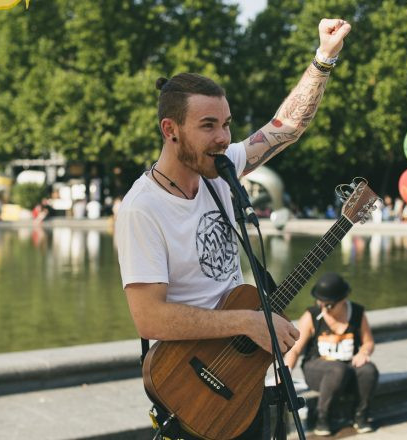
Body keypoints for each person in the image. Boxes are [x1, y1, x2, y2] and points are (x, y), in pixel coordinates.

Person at [116, 18, 351, 440]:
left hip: (242, 374)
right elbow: (148, 318)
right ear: (170, 130)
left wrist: (324, 58)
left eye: (226, 124)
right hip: (190, 387)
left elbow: (287, 127)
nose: (224, 137)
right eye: (208, 126)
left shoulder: (220, 171)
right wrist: (246, 322)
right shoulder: (142, 208)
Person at [284, 273, 379, 436]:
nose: (323, 307)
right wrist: (285, 373)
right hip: (318, 368)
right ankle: (322, 419)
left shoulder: (357, 313)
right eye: (320, 302)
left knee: (369, 370)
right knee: (337, 369)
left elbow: (368, 342)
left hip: (348, 367)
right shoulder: (311, 316)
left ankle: (360, 415)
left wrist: (363, 352)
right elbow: (295, 349)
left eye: (329, 305)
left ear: (343, 300)